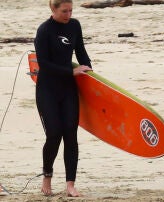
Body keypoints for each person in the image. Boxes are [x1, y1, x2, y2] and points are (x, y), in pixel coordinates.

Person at [34, 0, 92, 197]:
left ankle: (70, 185)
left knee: (70, 134)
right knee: (54, 134)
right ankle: (47, 176)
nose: (68, 15)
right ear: (53, 9)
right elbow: (43, 63)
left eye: (71, 10)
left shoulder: (74, 25)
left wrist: (89, 71)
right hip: (47, 90)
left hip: (68, 89)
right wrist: (71, 71)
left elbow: (81, 52)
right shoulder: (44, 31)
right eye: (64, 11)